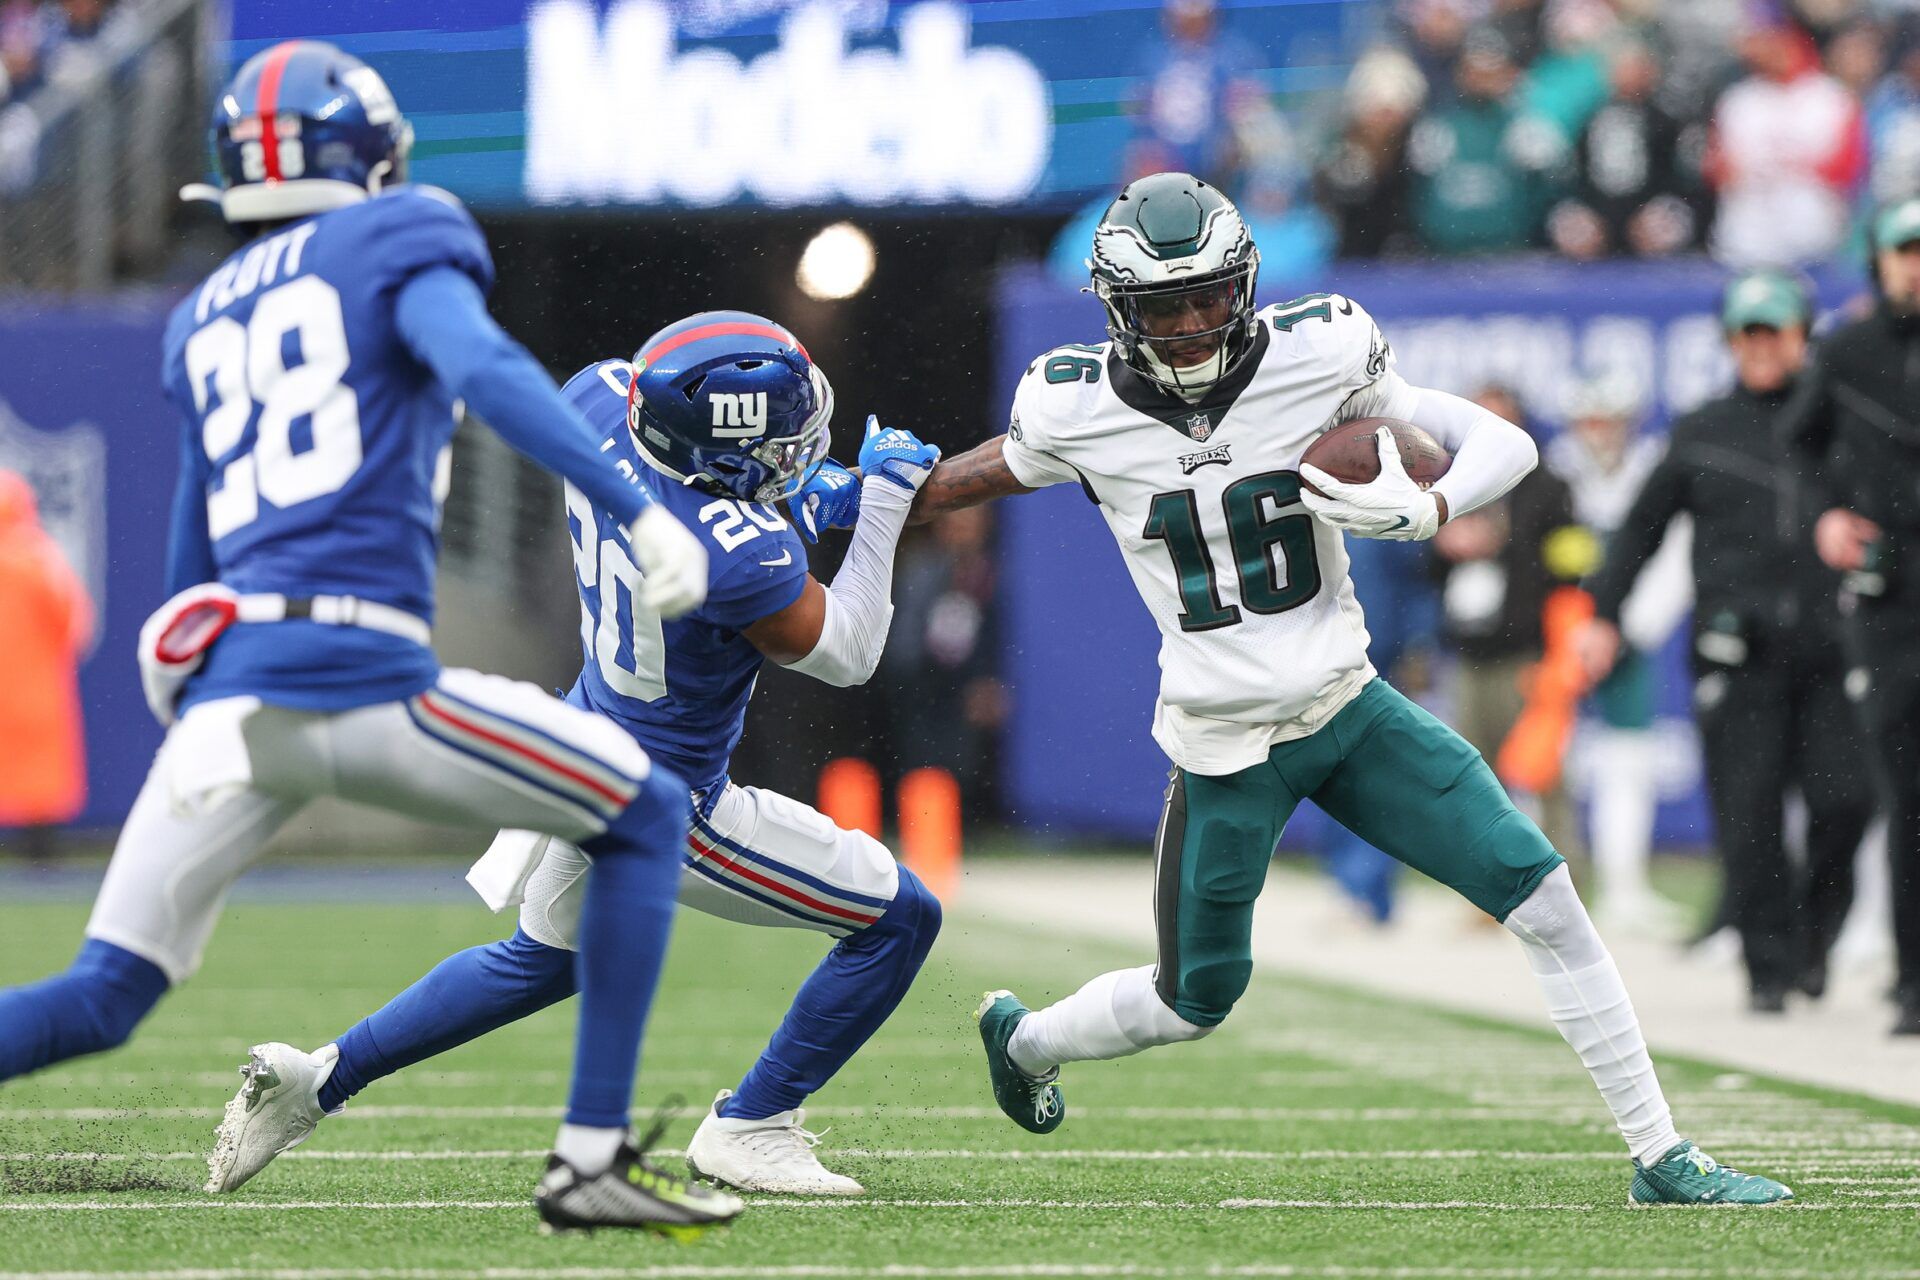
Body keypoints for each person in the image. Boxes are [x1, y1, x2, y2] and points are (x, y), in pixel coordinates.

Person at [911, 171, 1791, 1205]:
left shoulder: (1321, 348)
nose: (1193, 325)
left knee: (1545, 894)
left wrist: (1434, 508)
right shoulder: (1074, 403)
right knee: (1195, 999)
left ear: (1244, 284)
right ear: (1118, 312)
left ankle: (1660, 1153)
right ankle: (1026, 1041)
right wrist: (872, 498)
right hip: (1224, 744)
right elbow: (990, 469)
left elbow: (1501, 441)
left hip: (1346, 705)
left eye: (1209, 296)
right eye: (1165, 305)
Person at [0, 41, 739, 1238]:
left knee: (100, 995)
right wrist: (637, 504)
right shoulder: (402, 236)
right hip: (364, 681)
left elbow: (192, 580)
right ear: (373, 156)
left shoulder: (201, 317)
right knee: (648, 809)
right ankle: (587, 1159)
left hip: (233, 703)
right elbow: (486, 363)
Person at [209, 317, 943, 1199]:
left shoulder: (598, 398)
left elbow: (701, 488)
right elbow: (849, 649)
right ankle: (754, 1126)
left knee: (544, 959)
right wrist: (887, 498)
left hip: (587, 742)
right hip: (668, 800)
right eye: (784, 443)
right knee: (897, 918)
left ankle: (319, 1079)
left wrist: (794, 492)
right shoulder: (737, 553)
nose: (801, 449)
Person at [1577, 270, 1872, 1013]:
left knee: (1848, 801)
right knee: (1750, 816)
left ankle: (1812, 938)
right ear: (1731, 339)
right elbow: (1641, 529)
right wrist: (1603, 614)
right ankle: (1769, 971)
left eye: (1775, 329)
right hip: (1735, 651)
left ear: (1804, 335)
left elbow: (1891, 517)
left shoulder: (1844, 422)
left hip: (1833, 645)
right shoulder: (1703, 427)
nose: (1762, 345)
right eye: (1749, 331)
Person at [1784, 195, 1920, 1037]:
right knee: (1904, 793)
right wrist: (1827, 515)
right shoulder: (1848, 348)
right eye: (1905, 251)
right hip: (1890, 598)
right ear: (1880, 261)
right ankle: (1912, 982)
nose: (1916, 265)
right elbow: (1800, 445)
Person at [1545, 375, 1691, 937]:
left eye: (1610, 420)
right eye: (1591, 420)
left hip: (1626, 633)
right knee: (1542, 758)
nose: (1599, 433)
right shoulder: (1554, 469)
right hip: (1557, 632)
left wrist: (1633, 628)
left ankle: (1623, 885)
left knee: (1628, 758)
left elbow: (1675, 552)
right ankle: (1542, 888)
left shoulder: (1653, 467)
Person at [1429, 386, 1585, 868]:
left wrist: (1506, 547)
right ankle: (1488, 884)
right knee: (1477, 777)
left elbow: (1572, 564)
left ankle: (1567, 876)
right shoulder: (1450, 479)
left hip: (1526, 651)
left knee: (1542, 769)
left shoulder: (1547, 485)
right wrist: (1443, 542)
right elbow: (1423, 570)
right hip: (1470, 651)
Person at [0, 469, 92, 861]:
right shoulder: (38, 558)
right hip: (35, 689)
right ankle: (41, 859)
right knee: (39, 783)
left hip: (20, 688)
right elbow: (74, 623)